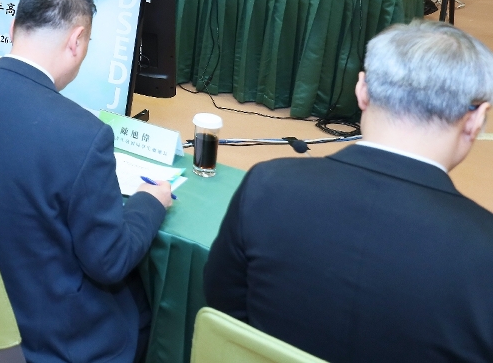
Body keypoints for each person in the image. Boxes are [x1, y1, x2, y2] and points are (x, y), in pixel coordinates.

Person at [204, 20, 493, 363]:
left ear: (362, 91)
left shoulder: (266, 185)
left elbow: (225, 315)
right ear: (476, 119)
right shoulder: (483, 246)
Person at [0, 0, 171, 363]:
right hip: (40, 337)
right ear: (77, 41)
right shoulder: (85, 135)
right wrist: (149, 201)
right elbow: (109, 261)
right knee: (139, 308)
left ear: (12, 28)